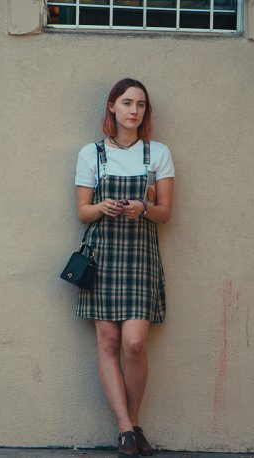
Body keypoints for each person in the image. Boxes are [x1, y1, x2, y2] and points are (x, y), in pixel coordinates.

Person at [74, 78, 174, 457]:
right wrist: (102, 207)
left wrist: (143, 209)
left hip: (140, 258)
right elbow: (82, 212)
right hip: (103, 257)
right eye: (128, 103)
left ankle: (133, 422)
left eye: (141, 105)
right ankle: (125, 431)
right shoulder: (92, 154)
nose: (134, 110)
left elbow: (165, 213)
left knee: (134, 344)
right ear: (112, 106)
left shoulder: (157, 153)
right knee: (109, 343)